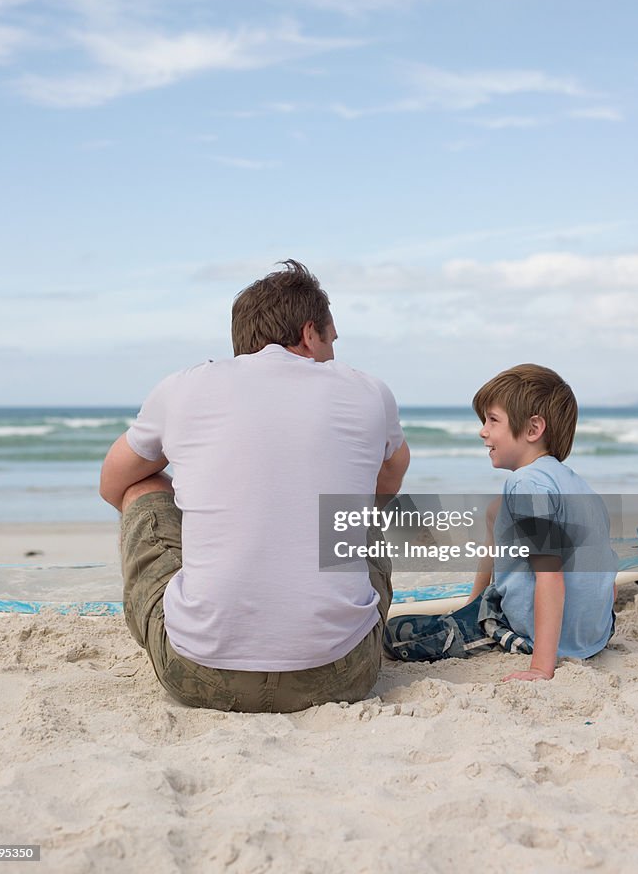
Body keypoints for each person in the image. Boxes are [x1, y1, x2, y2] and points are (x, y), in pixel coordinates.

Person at [100, 260, 410, 712]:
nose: (333, 353)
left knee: (139, 488)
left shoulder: (183, 387)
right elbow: (389, 479)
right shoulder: (368, 390)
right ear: (309, 335)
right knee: (360, 508)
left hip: (195, 673)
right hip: (343, 672)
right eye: (331, 340)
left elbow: (114, 485)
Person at [384, 364, 617, 681]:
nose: (483, 431)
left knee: (395, 634)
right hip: (595, 633)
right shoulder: (579, 488)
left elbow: (550, 577)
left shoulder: (526, 486)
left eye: (493, 420)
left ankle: (482, 621)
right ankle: (472, 607)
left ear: (533, 429)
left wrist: (540, 667)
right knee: (496, 512)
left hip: (546, 637)